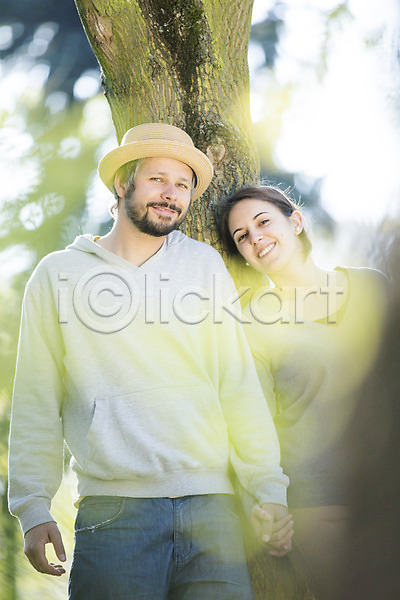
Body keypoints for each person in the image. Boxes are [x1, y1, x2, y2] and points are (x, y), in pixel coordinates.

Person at [8, 124, 293, 600]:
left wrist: (267, 488)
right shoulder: (57, 275)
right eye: (158, 179)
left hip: (214, 512)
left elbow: (237, 384)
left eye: (183, 185)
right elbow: (37, 398)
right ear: (123, 183)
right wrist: (33, 508)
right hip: (114, 511)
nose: (172, 195)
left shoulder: (203, 265)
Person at [217, 184, 387, 600]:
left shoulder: (373, 287)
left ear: (295, 221)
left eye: (262, 222)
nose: (255, 238)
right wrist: (264, 503)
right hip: (320, 500)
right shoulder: (252, 322)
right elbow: (251, 421)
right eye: (242, 237)